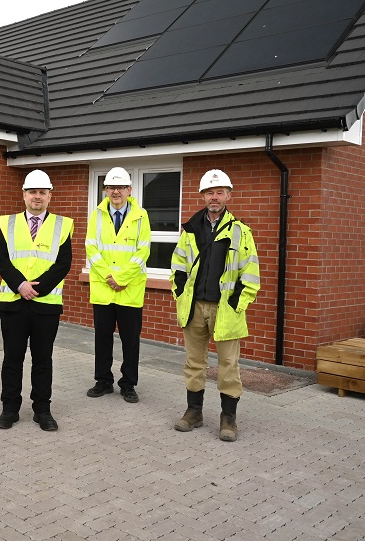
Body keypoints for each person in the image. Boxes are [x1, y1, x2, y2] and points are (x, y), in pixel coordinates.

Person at [171, 169, 260, 442]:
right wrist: (179, 293)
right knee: (193, 363)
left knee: (228, 365)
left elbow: (251, 273)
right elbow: (178, 266)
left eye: (219, 192)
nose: (214, 197)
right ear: (202, 196)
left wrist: (237, 304)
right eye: (209, 192)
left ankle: (228, 419)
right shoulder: (190, 230)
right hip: (195, 307)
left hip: (225, 310)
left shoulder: (240, 231)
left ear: (228, 196)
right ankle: (194, 413)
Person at [0, 169, 73, 432]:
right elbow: (2, 260)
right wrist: (20, 285)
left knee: (43, 359)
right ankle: (9, 409)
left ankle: (42, 410)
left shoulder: (63, 225)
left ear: (50, 195)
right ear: (24, 194)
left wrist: (36, 289)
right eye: (32, 192)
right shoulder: (8, 223)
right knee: (12, 359)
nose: (36, 197)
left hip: (45, 304)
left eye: (42, 192)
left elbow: (63, 264)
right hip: (14, 303)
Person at [85, 167, 151, 403]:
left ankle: (128, 383)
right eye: (111, 187)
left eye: (121, 187)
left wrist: (121, 279)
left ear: (129, 190)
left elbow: (143, 251)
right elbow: (91, 249)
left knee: (130, 340)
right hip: (104, 289)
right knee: (102, 338)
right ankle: (103, 381)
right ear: (105, 190)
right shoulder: (96, 215)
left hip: (129, 289)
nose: (116, 192)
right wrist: (108, 277)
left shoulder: (141, 216)